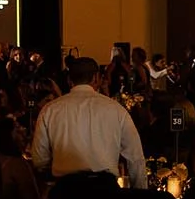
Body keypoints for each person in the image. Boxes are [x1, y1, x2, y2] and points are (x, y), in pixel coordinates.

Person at [28, 57, 147, 187]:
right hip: (104, 190)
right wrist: (140, 192)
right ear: (96, 78)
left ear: (69, 80)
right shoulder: (116, 109)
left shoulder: (50, 110)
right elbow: (135, 158)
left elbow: (39, 160)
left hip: (66, 191)